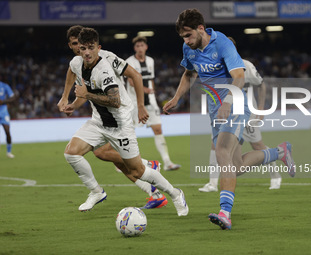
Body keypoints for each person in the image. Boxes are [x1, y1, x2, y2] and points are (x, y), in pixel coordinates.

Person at [164, 9, 295, 229]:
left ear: (200, 29)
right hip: (216, 111)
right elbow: (189, 73)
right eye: (183, 38)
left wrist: (227, 103)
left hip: (235, 105)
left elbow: (239, 77)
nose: (186, 41)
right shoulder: (189, 48)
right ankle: (280, 152)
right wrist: (177, 97)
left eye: (188, 35)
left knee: (221, 152)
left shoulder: (222, 42)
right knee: (237, 165)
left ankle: (225, 212)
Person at [62, 27, 188, 216]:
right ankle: (96, 192)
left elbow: (115, 100)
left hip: (120, 125)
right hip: (98, 122)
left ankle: (175, 194)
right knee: (72, 153)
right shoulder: (77, 62)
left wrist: (87, 95)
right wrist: (68, 101)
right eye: (82, 48)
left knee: (138, 172)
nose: (86, 52)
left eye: (90, 48)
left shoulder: (104, 68)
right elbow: (73, 72)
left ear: (98, 47)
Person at [198, 37, 282, 192]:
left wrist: (261, 108)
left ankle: (276, 175)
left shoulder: (246, 65)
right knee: (216, 145)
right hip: (226, 112)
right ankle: (212, 184)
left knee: (257, 145)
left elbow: (261, 85)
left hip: (246, 112)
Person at [125, 36, 181, 171]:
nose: (140, 48)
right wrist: (145, 90)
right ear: (134, 48)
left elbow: (151, 79)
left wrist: (152, 92)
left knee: (158, 129)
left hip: (150, 102)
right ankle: (124, 163)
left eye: (142, 46)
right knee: (129, 132)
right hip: (134, 103)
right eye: (137, 46)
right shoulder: (129, 62)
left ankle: (167, 162)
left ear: (146, 47)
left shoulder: (150, 61)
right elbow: (131, 82)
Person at [0, 79, 16, 158]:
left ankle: (9, 152)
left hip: (3, 111)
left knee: (7, 131)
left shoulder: (4, 86)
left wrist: (3, 101)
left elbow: (13, 97)